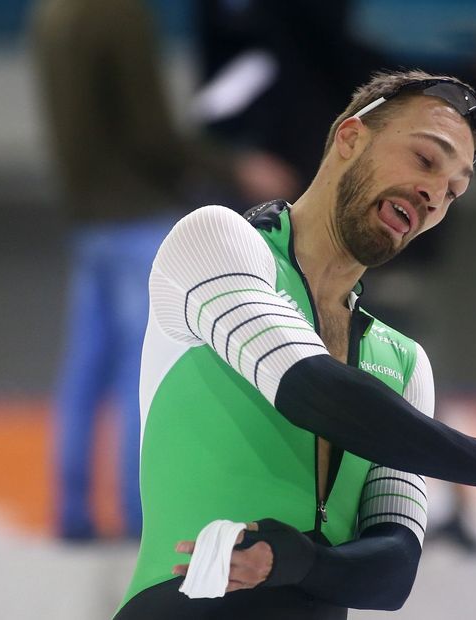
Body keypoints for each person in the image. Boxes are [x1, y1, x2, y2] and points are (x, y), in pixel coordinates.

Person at [115, 69, 476, 617]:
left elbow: (394, 572)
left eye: (454, 191)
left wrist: (296, 562)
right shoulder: (217, 242)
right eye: (426, 159)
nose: (435, 194)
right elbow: (310, 387)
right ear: (350, 137)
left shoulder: (402, 363)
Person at [32, 0, 289, 539]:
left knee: (84, 370)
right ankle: (139, 516)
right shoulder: (119, 13)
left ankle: (71, 513)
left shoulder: (51, 15)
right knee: (143, 372)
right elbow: (151, 135)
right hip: (136, 219)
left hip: (86, 219)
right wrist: (235, 168)